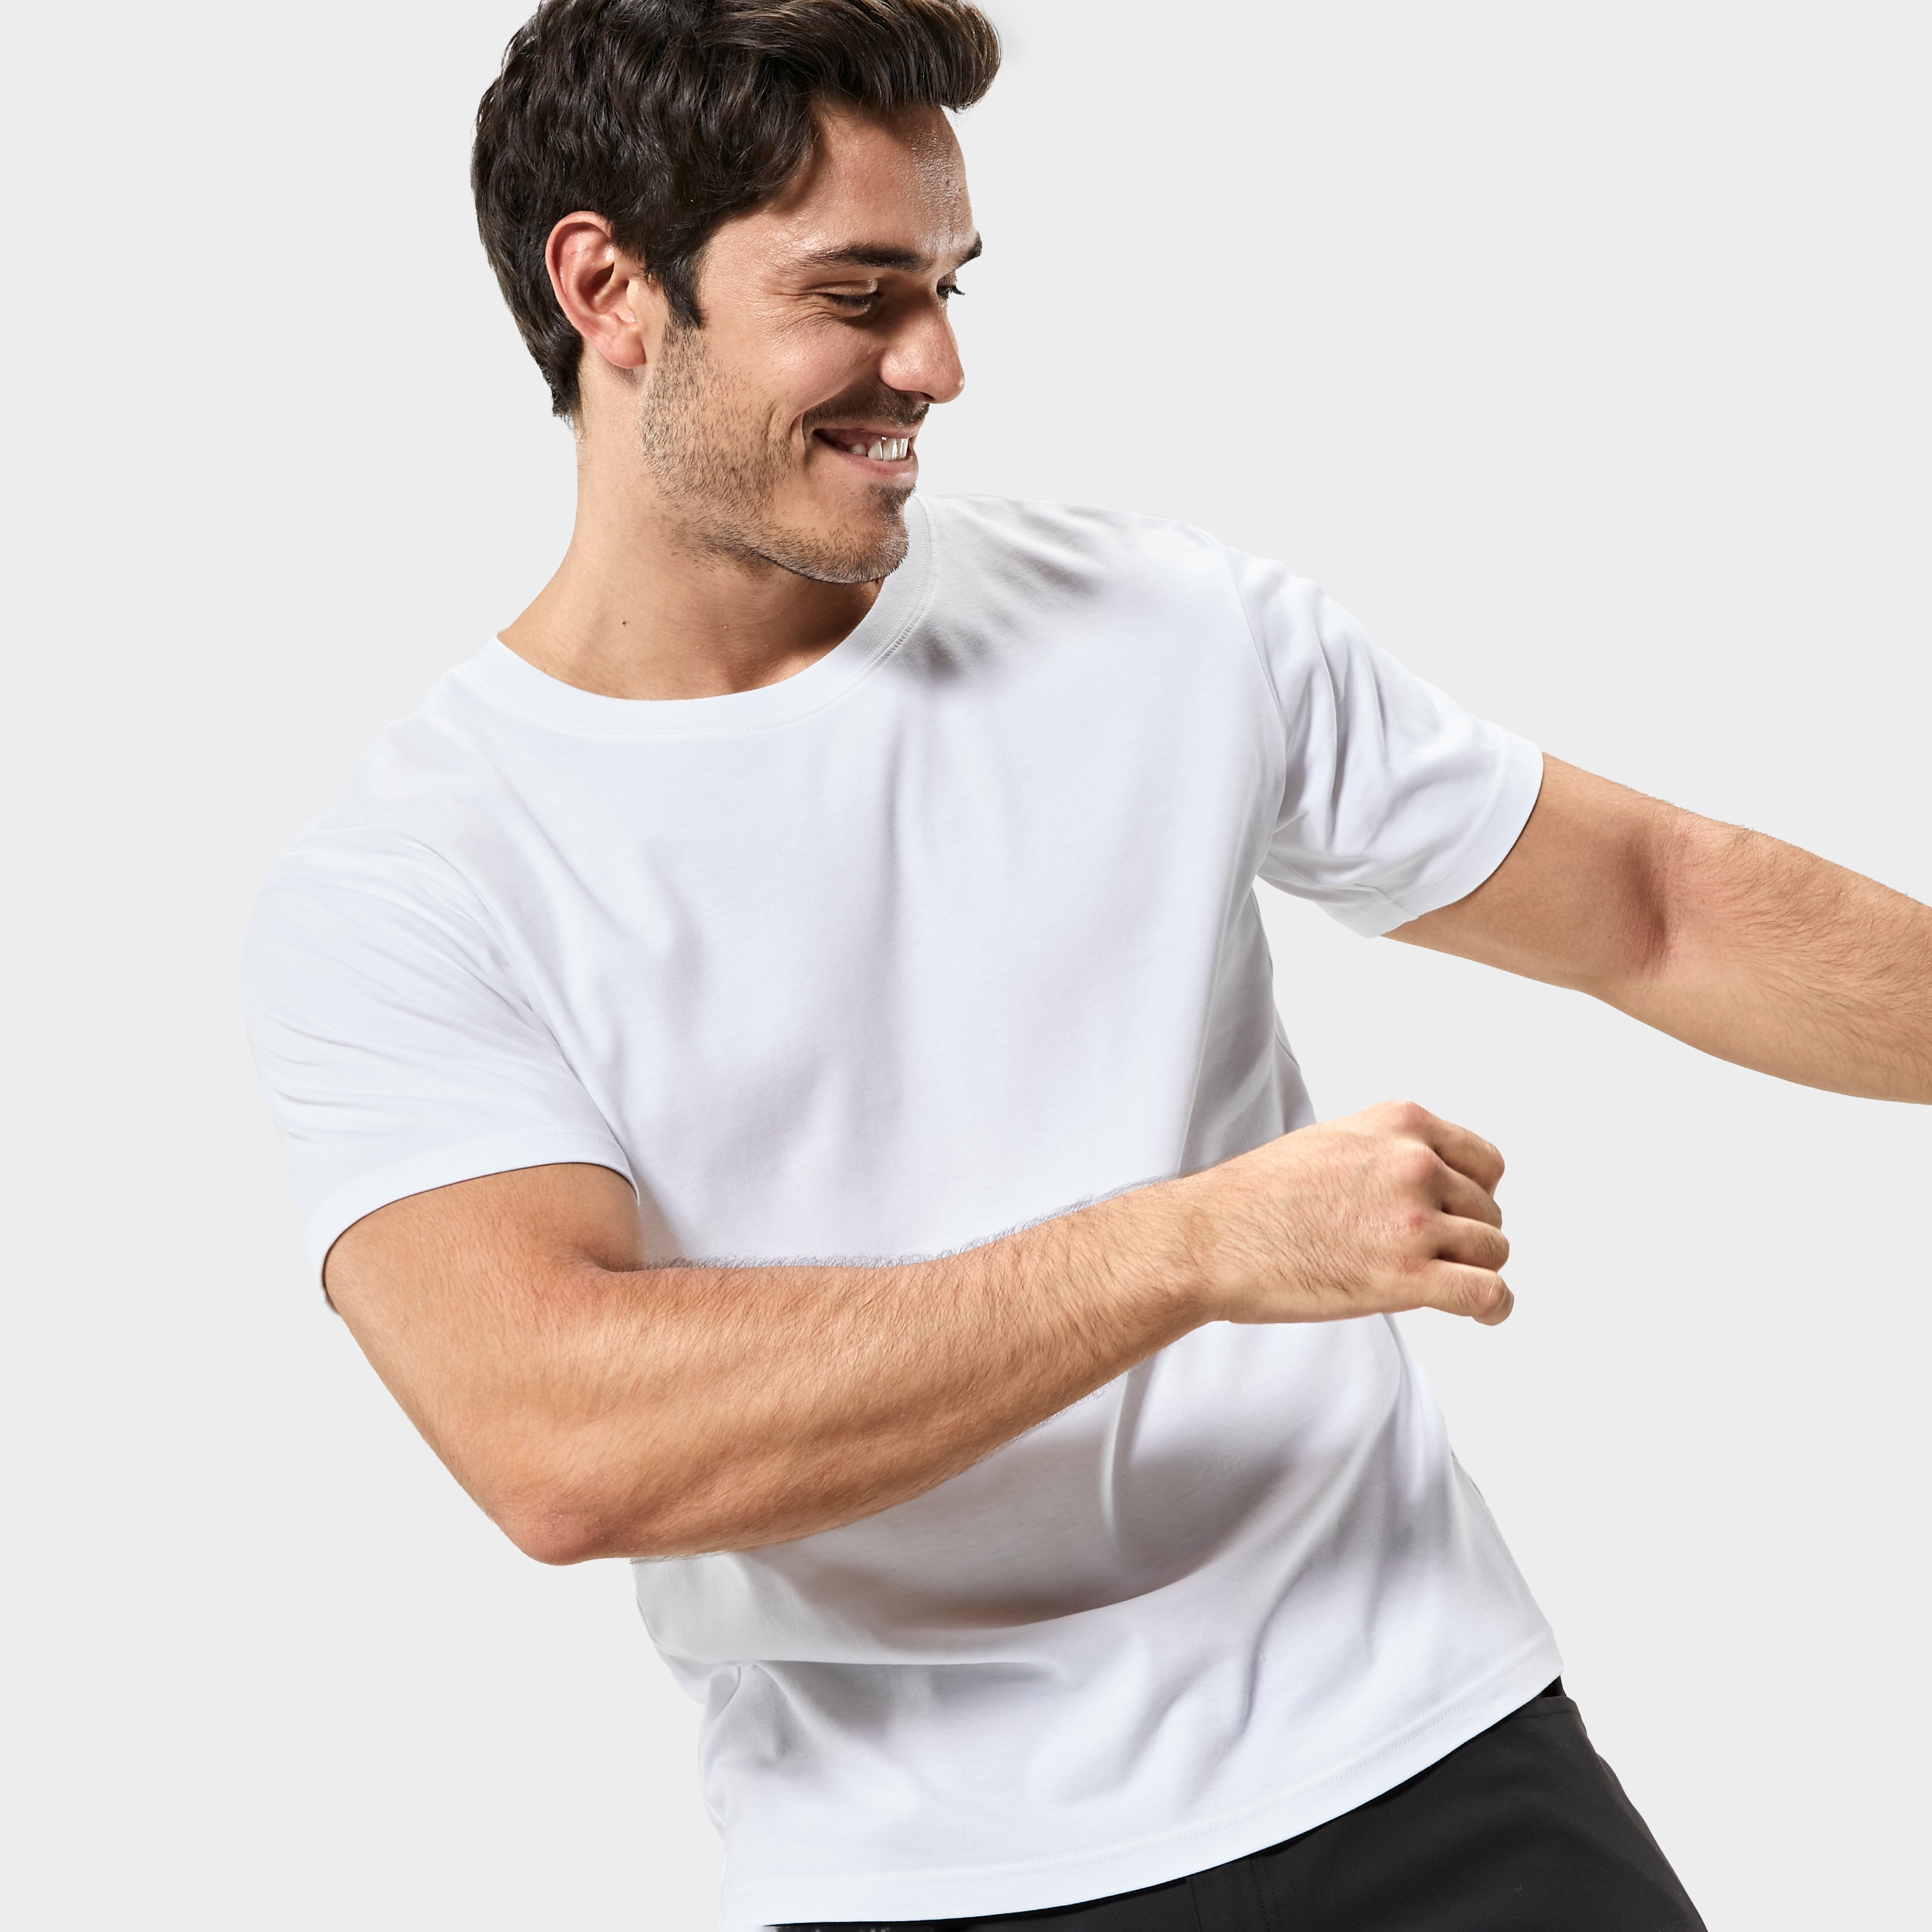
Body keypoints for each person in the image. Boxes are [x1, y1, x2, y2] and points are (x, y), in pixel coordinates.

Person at [242, 3, 1931, 1928]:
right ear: (607, 287)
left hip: (1421, 1740)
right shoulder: (410, 883)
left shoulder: (1161, 625)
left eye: (947, 285)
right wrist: (1188, 1246)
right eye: (858, 296)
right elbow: (562, 1442)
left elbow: (1654, 903)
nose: (937, 365)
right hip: (925, 1865)